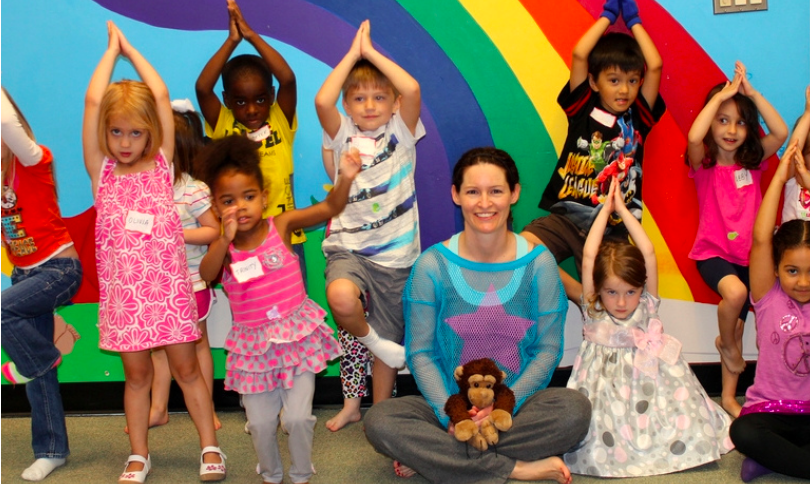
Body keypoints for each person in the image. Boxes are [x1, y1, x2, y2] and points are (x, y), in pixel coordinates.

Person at [365, 147, 591, 484]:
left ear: (514, 193)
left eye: (496, 191)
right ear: (456, 195)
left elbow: (547, 351)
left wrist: (501, 408)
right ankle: (514, 467)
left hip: (515, 405)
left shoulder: (539, 263)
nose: (485, 203)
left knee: (575, 411)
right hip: (445, 405)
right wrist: (454, 415)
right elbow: (421, 354)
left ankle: (441, 458)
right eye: (473, 191)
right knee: (380, 420)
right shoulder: (432, 266)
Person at [82, 21, 224, 483]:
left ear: (151, 136)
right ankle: (139, 454)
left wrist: (131, 49)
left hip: (168, 293)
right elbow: (91, 101)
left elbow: (161, 97)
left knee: (187, 371)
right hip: (125, 302)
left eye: (136, 134)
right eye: (117, 132)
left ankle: (209, 447)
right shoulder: (101, 173)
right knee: (137, 378)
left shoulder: (161, 168)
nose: (125, 143)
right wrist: (110, 54)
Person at [198, 135, 361, 484]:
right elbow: (207, 276)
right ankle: (270, 474)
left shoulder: (281, 226)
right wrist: (223, 239)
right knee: (260, 424)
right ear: (215, 206)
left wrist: (345, 177)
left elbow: (329, 208)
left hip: (295, 339)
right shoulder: (222, 247)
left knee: (298, 419)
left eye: (249, 197)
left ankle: (301, 472)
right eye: (228, 200)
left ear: (264, 197)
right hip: (253, 348)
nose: (240, 207)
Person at [563, 178, 734, 476]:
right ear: (599, 290)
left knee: (682, 415)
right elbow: (590, 254)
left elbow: (649, 252)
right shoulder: (594, 308)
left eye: (630, 292)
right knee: (598, 429)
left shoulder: (648, 304)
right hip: (606, 389)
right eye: (612, 292)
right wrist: (606, 209)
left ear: (641, 288)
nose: (621, 302)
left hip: (654, 381)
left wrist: (624, 210)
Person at [314, 20, 425, 431]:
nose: (370, 105)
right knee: (344, 303)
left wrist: (372, 53)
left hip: (396, 256)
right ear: (349, 106)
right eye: (359, 98)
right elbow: (323, 101)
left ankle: (379, 414)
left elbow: (411, 89)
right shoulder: (342, 135)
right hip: (349, 249)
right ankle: (350, 402)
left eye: (380, 97)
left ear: (393, 105)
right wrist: (352, 55)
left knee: (387, 347)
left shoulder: (403, 133)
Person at [520, 0, 665, 302]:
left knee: (619, 289)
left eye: (632, 81)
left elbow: (655, 65)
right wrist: (608, 16)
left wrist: (634, 19)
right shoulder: (582, 109)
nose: (624, 90)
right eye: (614, 81)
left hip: (612, 227)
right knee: (522, 251)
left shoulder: (638, 118)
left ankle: (601, 314)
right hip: (567, 219)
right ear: (594, 82)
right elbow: (579, 54)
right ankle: (581, 297)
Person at [686, 61, 787, 417]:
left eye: (740, 121)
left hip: (751, 257)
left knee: (741, 323)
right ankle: (727, 346)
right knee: (736, 295)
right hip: (713, 253)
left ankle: (729, 396)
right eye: (722, 119)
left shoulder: (754, 162)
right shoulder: (704, 164)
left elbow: (781, 131)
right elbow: (694, 138)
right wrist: (724, 95)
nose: (731, 130)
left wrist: (752, 94)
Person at [0, 87, 83, 481]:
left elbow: (4, 120)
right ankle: (51, 449)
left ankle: (41, 360)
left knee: (3, 311)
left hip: (59, 270)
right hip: (24, 274)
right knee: (37, 370)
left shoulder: (34, 161)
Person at [195, 0, 307, 280]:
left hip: (283, 231)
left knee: (293, 296)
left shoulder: (280, 117)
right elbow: (202, 87)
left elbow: (288, 79)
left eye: (259, 99)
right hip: (239, 236)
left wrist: (252, 36)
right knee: (251, 305)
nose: (252, 109)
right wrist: (232, 41)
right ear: (227, 101)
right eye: (241, 101)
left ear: (270, 95)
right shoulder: (222, 125)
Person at [729, 142, 810, 482]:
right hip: (771, 412)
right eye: (792, 271)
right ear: (776, 269)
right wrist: (780, 177)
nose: (803, 281)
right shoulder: (768, 296)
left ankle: (772, 461)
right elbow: (761, 239)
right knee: (742, 433)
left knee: (760, 447)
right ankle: (785, 459)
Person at [140, 101, 221, 433]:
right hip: (155, 285)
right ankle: (158, 408)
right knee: (157, 347)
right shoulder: (144, 187)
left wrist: (177, 234)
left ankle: (208, 408)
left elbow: (213, 230)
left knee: (198, 343)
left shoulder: (192, 189)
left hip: (190, 283)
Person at [781, 86, 810, 222]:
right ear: (802, 155)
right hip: (791, 242)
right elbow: (793, 150)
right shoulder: (795, 177)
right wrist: (808, 114)